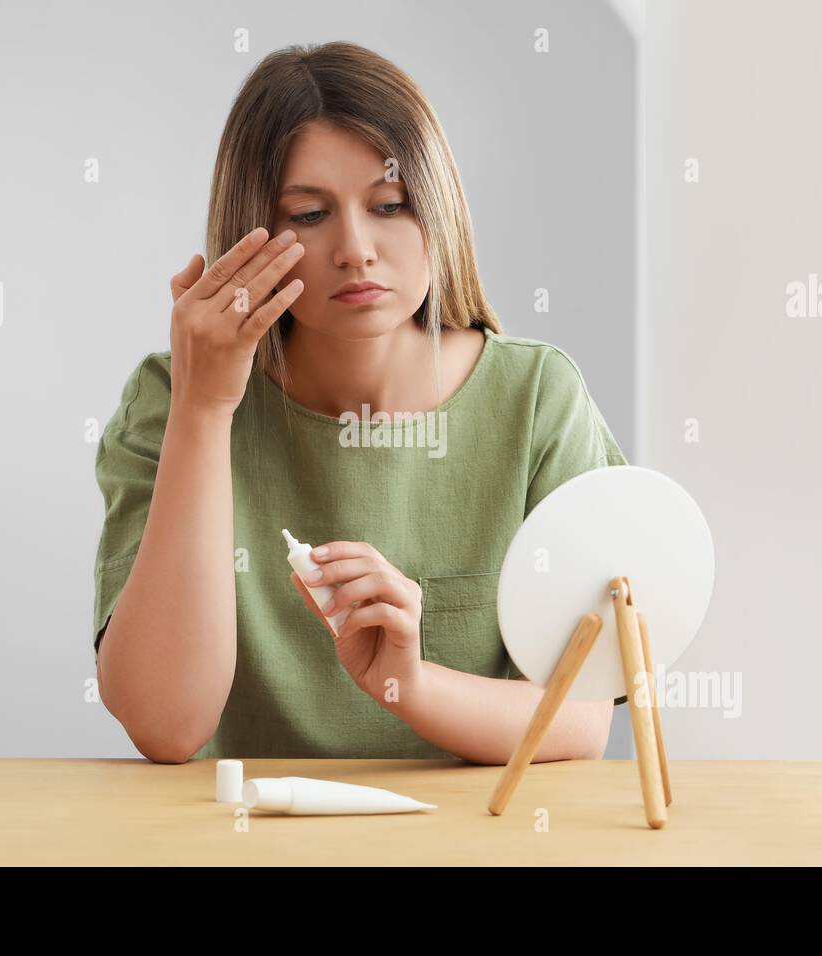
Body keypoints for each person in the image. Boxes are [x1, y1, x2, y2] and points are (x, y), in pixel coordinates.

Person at [92, 41, 628, 764]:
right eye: (310, 215)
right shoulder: (170, 398)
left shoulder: (537, 398)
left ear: (438, 210)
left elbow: (581, 722)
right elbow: (166, 724)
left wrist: (410, 684)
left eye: (389, 206)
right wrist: (204, 408)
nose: (355, 249)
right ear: (250, 228)